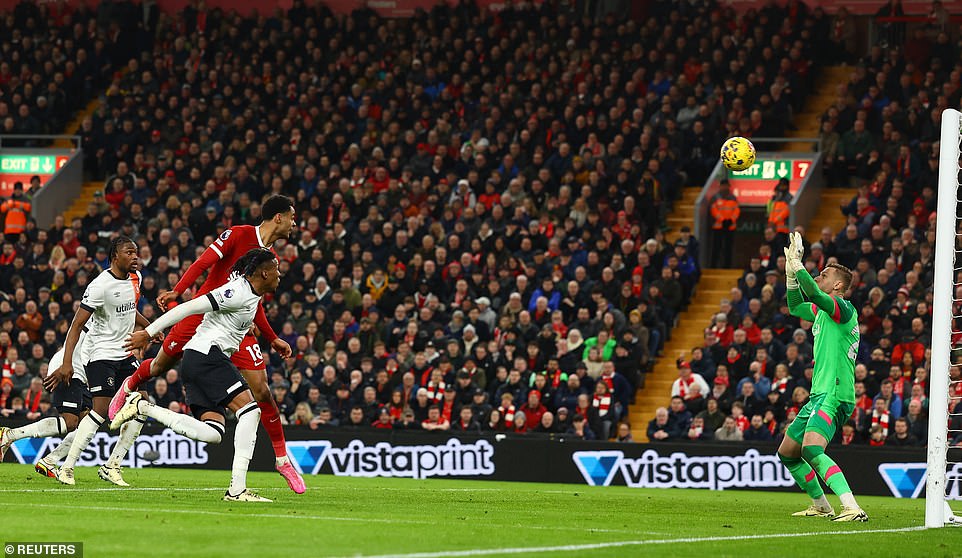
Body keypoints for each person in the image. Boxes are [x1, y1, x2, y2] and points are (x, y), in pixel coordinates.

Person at [108, 195, 303, 494]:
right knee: (160, 365)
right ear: (278, 217)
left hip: (235, 326)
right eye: (292, 216)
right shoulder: (239, 234)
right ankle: (129, 387)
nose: (295, 222)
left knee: (262, 390)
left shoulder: (267, 258)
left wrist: (271, 336)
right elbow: (205, 261)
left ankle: (281, 459)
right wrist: (178, 290)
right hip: (204, 312)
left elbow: (254, 302)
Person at [114, 248, 282, 502]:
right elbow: (188, 308)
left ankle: (144, 408)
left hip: (198, 361)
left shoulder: (252, 295)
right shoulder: (235, 292)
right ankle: (237, 490)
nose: (280, 274)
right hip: (206, 356)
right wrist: (148, 333)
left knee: (213, 433)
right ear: (264, 273)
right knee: (251, 411)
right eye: (276, 270)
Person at [0, 237, 150, 486]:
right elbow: (76, 326)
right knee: (75, 421)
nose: (136, 257)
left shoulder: (135, 279)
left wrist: (149, 329)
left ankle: (54, 461)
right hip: (77, 362)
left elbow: (128, 308)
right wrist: (65, 364)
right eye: (130, 252)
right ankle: (13, 436)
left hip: (110, 357)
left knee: (128, 406)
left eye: (137, 252)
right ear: (115, 255)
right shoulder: (99, 286)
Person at [778, 232, 867, 521]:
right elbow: (795, 306)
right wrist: (792, 276)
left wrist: (799, 264)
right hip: (819, 394)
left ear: (838, 285)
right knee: (788, 452)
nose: (819, 276)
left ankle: (851, 506)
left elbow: (815, 294)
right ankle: (821, 505)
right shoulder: (822, 312)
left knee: (813, 448)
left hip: (835, 393)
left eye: (824, 274)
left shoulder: (844, 309)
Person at [709, 179, 740, 267]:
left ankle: (727, 266)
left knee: (728, 248)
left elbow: (736, 211)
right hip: (718, 227)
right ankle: (713, 266)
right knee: (716, 248)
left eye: (726, 185)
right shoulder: (715, 197)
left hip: (730, 227)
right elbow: (713, 210)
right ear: (720, 186)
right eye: (723, 185)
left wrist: (731, 220)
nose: (725, 187)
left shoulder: (733, 198)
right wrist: (722, 220)